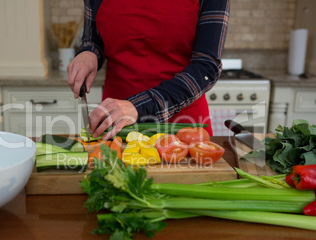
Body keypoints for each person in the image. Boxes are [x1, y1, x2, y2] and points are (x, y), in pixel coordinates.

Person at [67, 0, 230, 140]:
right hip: (116, 125)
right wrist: (89, 52)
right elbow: (93, 38)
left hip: (183, 128)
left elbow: (206, 67)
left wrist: (139, 107)